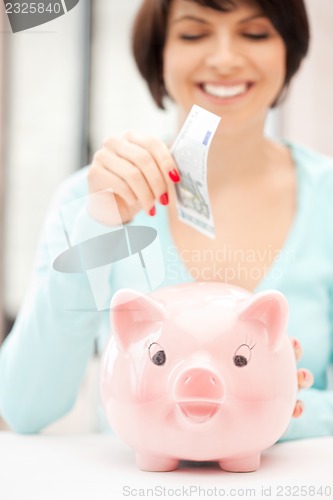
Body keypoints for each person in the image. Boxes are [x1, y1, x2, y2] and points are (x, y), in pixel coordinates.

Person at [0, 0, 331, 439]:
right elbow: (25, 406)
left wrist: (278, 410)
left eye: (254, 34)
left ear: (290, 51)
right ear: (158, 55)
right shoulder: (89, 199)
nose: (225, 58)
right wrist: (99, 225)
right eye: (194, 34)